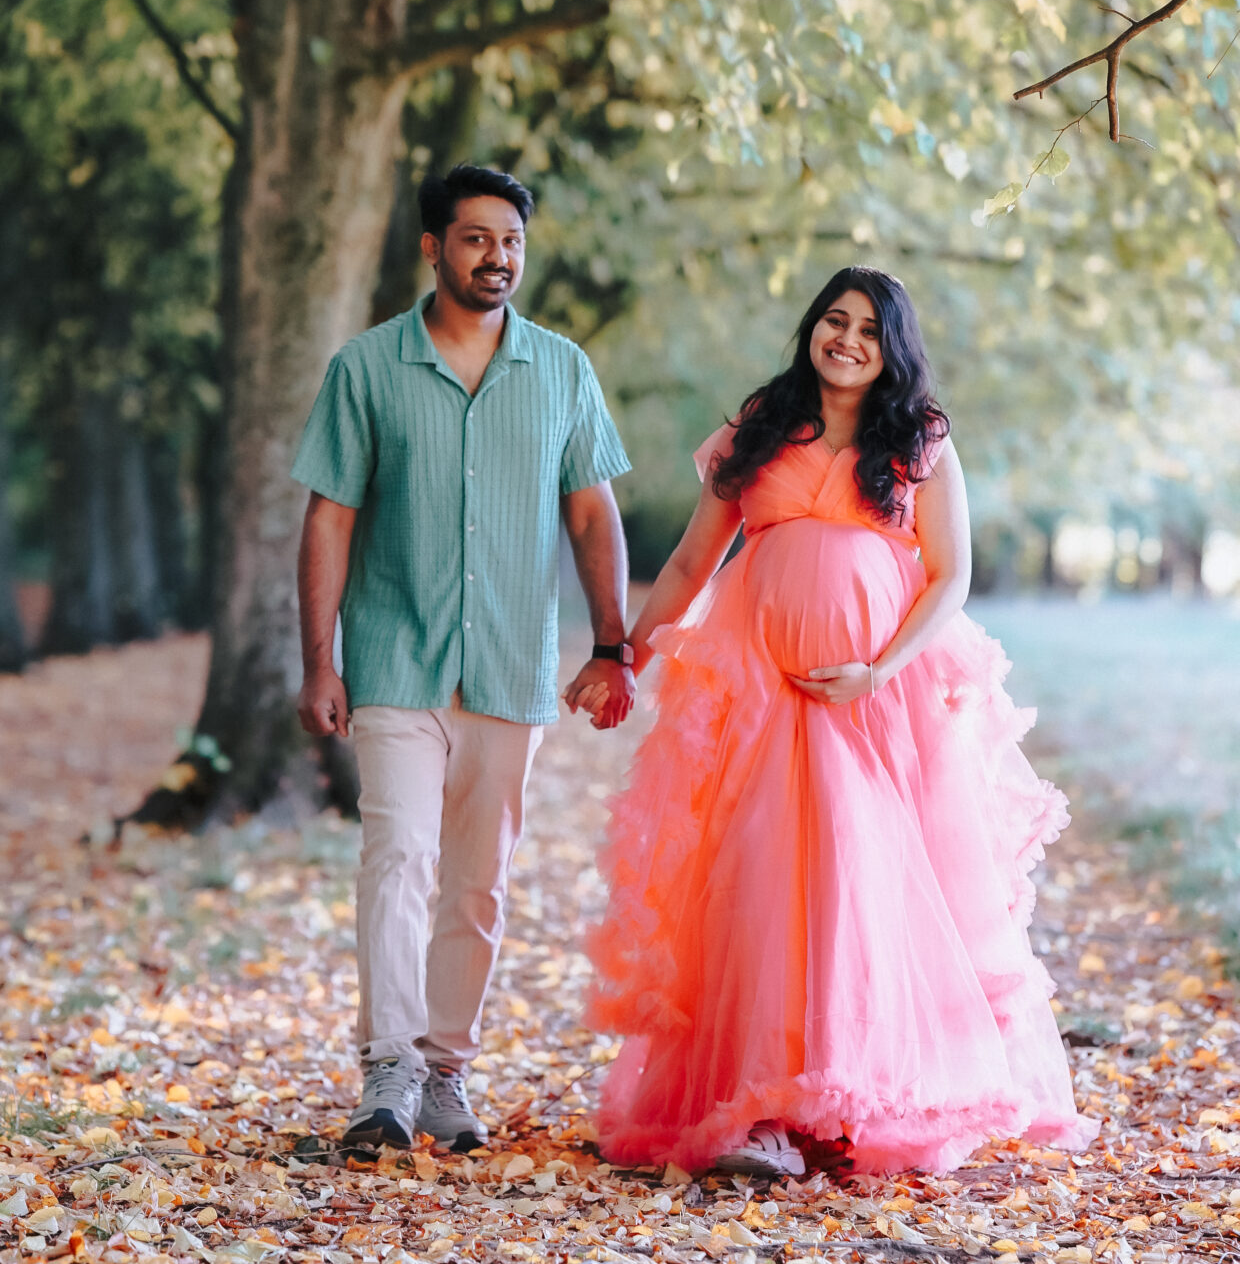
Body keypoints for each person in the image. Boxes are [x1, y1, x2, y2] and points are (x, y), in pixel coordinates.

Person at [587, 268, 1096, 1180]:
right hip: (760, 698)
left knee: (858, 886)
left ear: (892, 346)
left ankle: (847, 1099)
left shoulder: (920, 440)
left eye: (868, 327)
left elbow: (950, 576)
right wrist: (626, 655)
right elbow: (692, 563)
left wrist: (878, 671)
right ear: (811, 328)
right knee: (760, 882)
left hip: (872, 703)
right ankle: (764, 1112)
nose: (848, 339)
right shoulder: (761, 426)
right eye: (834, 319)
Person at [293, 163, 635, 1155]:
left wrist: (612, 642)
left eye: (512, 240)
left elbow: (590, 509)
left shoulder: (562, 368)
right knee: (397, 854)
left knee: (477, 879)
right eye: (477, 237)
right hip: (395, 654)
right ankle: (388, 1069)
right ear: (433, 246)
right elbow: (330, 516)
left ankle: (446, 1070)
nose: (499, 256)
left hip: (510, 664)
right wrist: (320, 661)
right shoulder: (365, 367)